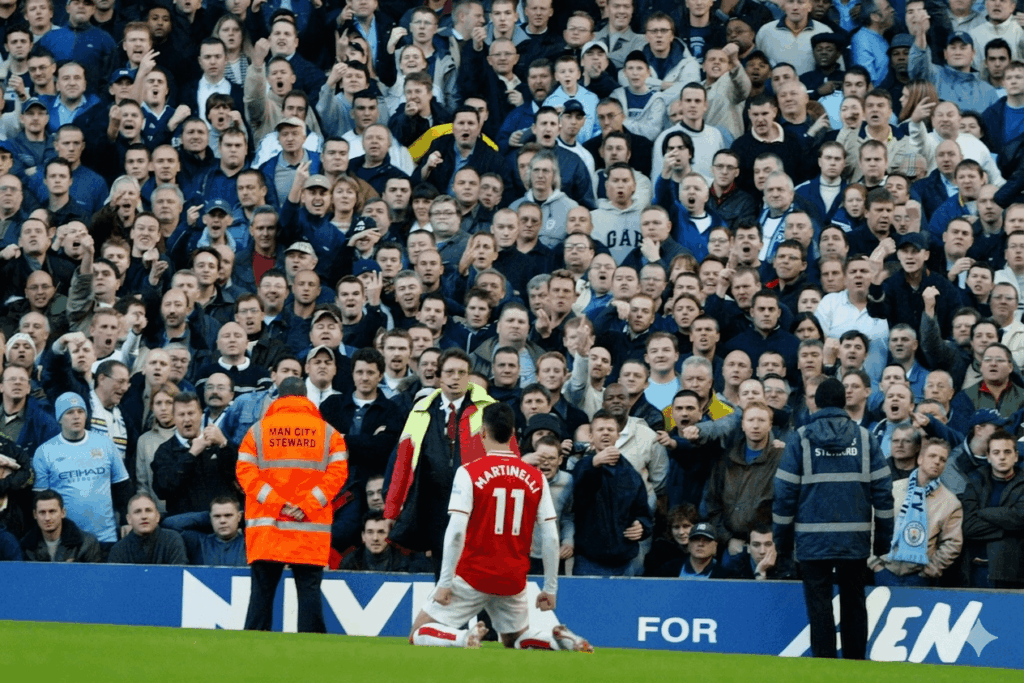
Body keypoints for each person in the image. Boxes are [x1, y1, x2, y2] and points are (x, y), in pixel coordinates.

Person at [409, 402, 593, 652]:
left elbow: (456, 532)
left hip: (472, 574)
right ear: (514, 434)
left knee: (417, 633)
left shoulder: (469, 472)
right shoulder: (536, 477)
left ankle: (463, 638)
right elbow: (551, 536)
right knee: (513, 640)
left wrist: (444, 582)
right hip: (512, 579)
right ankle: (555, 640)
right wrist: (550, 588)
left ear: (483, 432)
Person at [773, 378, 894, 660]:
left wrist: (782, 543)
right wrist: (883, 542)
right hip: (855, 539)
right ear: (843, 402)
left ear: (817, 402)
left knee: (819, 606)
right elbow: (884, 494)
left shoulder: (800, 439)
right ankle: (854, 667)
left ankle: (824, 668)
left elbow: (784, 495)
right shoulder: (865, 438)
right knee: (854, 603)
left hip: (812, 540)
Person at [236, 376, 348, 633]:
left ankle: (250, 655)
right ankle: (313, 658)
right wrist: (306, 505)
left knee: (261, 596)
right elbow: (338, 474)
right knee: (309, 594)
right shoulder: (328, 433)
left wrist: (278, 504)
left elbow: (245, 473)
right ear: (306, 397)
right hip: (309, 527)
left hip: (268, 527)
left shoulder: (257, 431)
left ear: (278, 397)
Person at [385, 348, 502, 566]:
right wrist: (392, 510)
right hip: (434, 506)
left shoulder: (490, 410)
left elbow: (506, 457)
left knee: (473, 568)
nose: (455, 378)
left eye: (461, 372)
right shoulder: (421, 410)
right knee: (442, 570)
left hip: (476, 504)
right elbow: (403, 462)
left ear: (469, 377)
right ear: (439, 377)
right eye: (449, 372)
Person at [32, 392, 131, 549]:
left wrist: (127, 520)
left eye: (80, 411)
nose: (76, 416)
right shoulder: (45, 452)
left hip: (105, 536)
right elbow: (40, 498)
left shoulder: (105, 444)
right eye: (70, 412)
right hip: (66, 540)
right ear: (59, 418)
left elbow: (122, 486)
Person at [871, 438, 963, 587]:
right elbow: (871, 524)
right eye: (932, 456)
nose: (937, 462)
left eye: (942, 459)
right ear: (920, 459)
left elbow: (952, 543)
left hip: (920, 577)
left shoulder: (951, 503)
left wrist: (930, 570)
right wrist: (875, 565)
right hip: (884, 571)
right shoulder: (892, 489)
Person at [960, 428, 1024, 588]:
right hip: (976, 570)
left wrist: (982, 513)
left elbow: (1021, 519)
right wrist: (1009, 528)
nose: (1002, 457)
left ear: (1016, 456)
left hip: (1013, 573)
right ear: (988, 457)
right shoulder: (975, 481)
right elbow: (967, 526)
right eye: (996, 452)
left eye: (1007, 452)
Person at [20, 489, 102, 562]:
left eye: (52, 511)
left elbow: (95, 576)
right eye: (42, 512)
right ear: (35, 515)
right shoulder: (26, 546)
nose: (47, 518)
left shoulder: (86, 543)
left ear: (63, 513)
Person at [107, 492, 188, 565]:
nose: (144, 516)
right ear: (129, 519)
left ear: (157, 516)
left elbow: (179, 576)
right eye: (137, 511)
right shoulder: (118, 550)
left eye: (148, 510)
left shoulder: (173, 540)